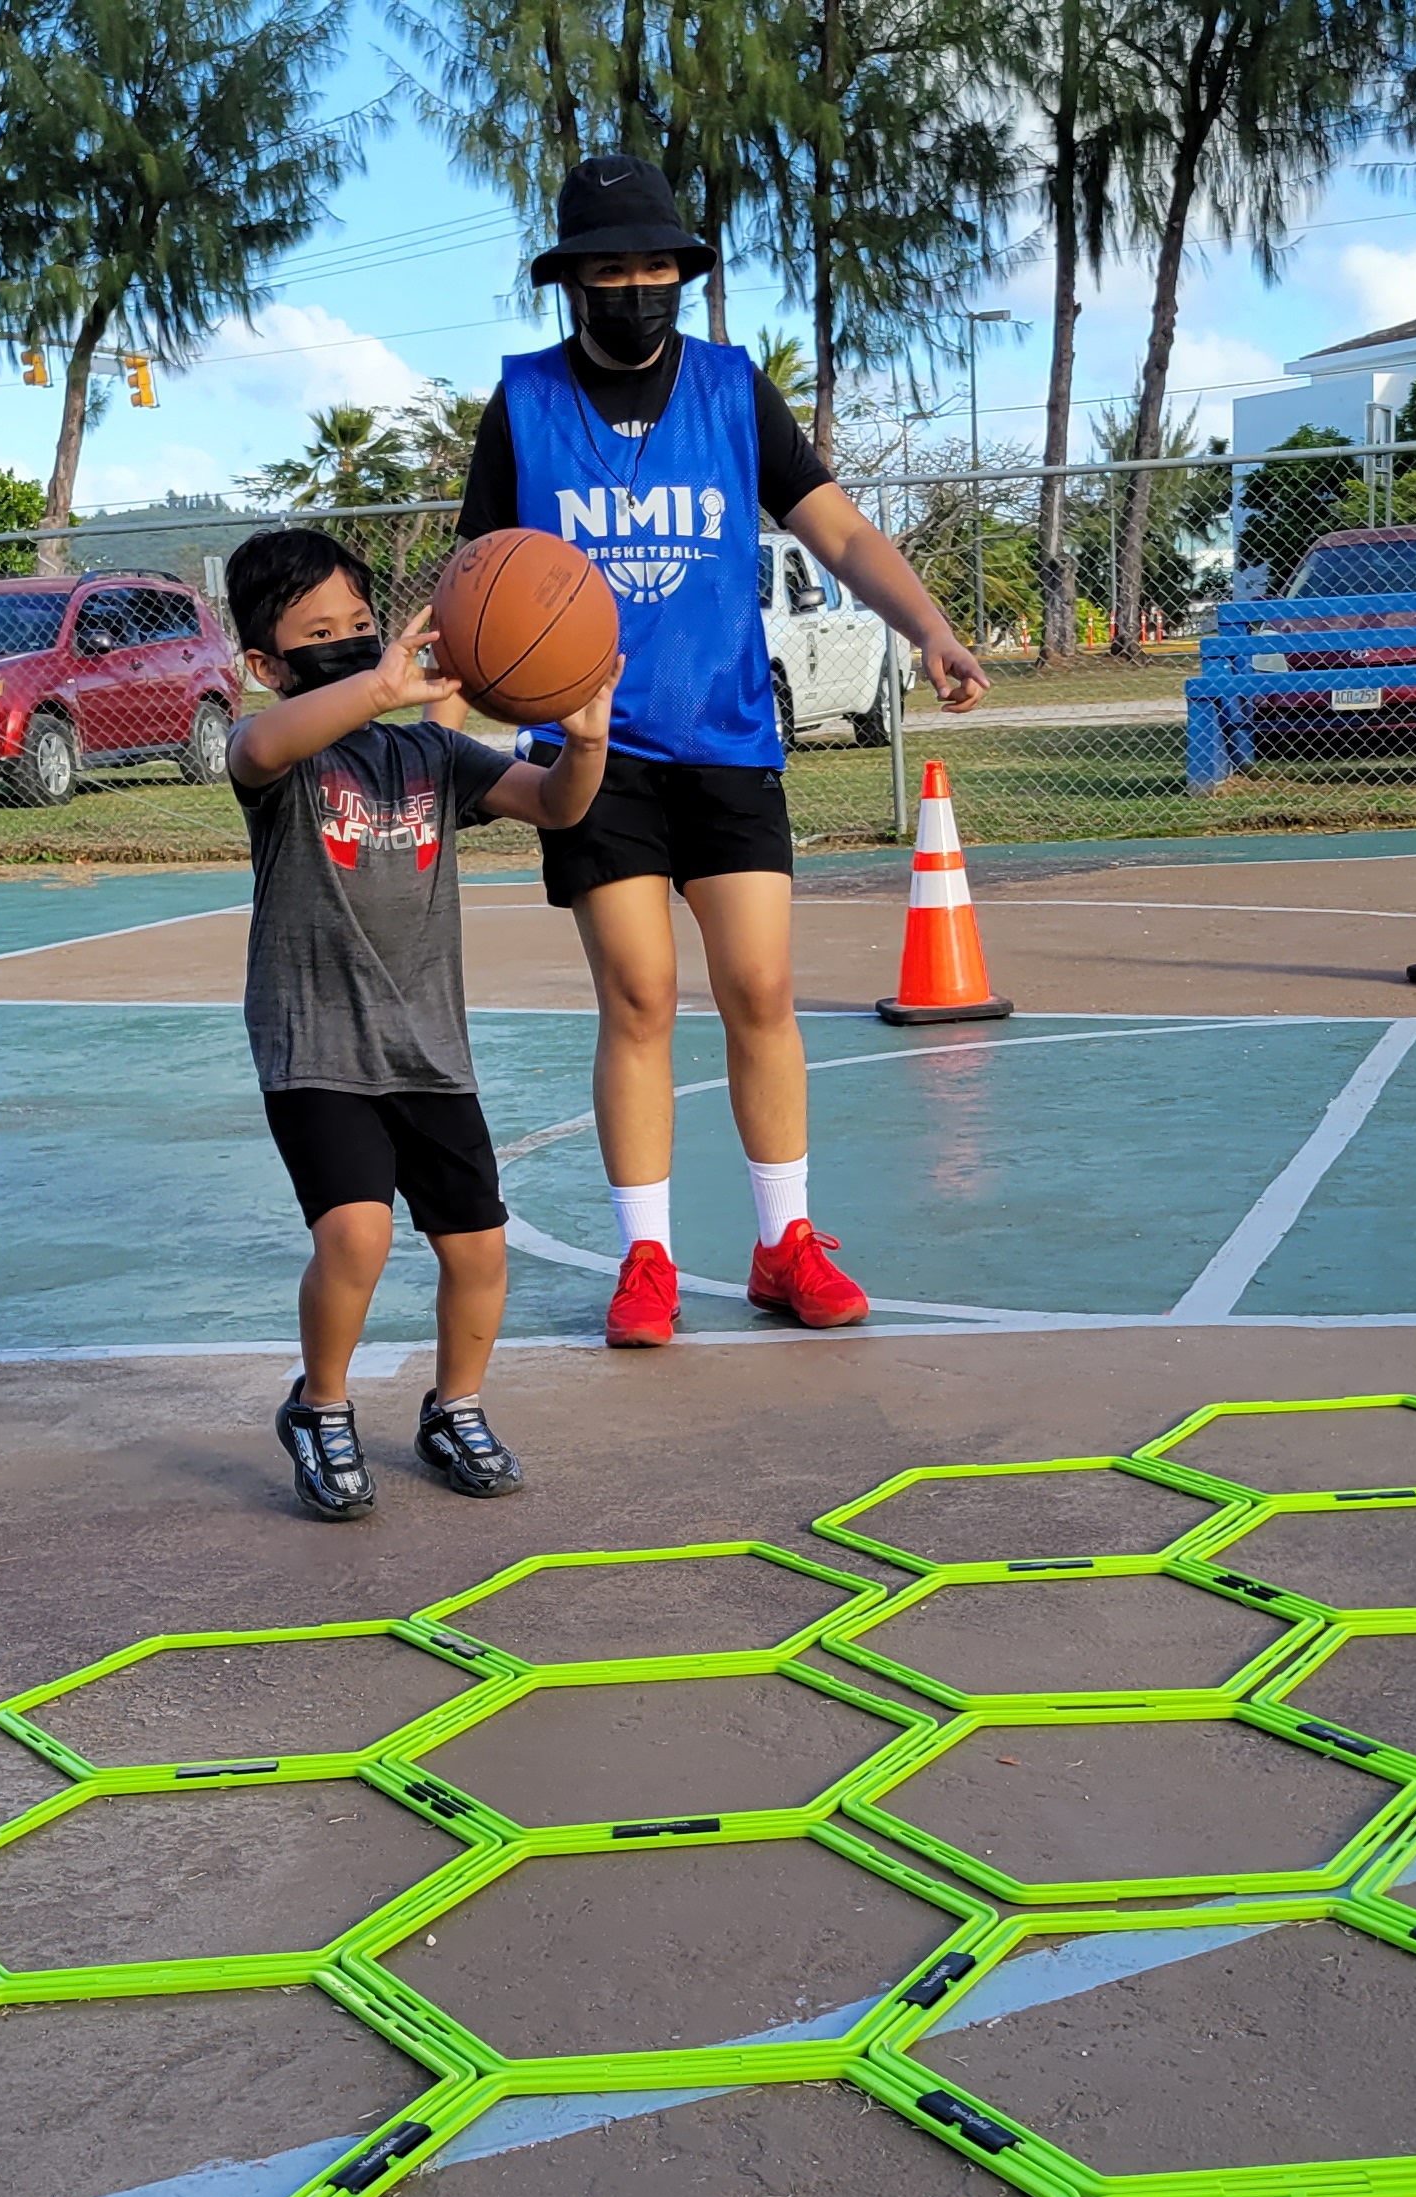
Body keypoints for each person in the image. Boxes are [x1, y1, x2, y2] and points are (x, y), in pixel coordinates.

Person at [458, 152, 993, 1349]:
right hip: (594, 746)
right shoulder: (525, 404)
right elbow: (476, 584)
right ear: (572, 284)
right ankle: (646, 1257)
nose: (634, 287)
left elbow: (838, 528)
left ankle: (783, 1242)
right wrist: (443, 716)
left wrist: (931, 627)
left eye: (654, 267)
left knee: (759, 989)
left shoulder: (731, 391)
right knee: (638, 995)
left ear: (681, 275)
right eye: (610, 271)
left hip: (728, 735)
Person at [223, 525, 617, 1520]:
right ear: (269, 664)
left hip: (427, 1047)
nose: (356, 640)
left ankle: (456, 1407)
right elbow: (256, 743)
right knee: (355, 1236)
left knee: (478, 1246)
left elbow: (558, 808)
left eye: (363, 621)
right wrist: (381, 683)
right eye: (323, 632)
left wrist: (588, 738)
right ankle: (320, 1406)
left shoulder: (433, 753)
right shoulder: (284, 765)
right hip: (315, 1044)